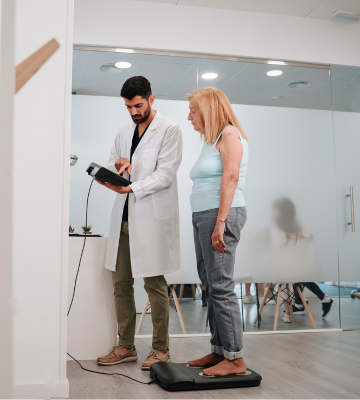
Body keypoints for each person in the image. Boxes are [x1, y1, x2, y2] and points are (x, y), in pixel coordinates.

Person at [95, 76, 183, 370]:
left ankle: (161, 349)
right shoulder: (124, 130)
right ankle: (126, 346)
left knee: (154, 283)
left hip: (150, 216)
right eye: (128, 107)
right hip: (123, 218)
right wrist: (118, 166)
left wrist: (131, 187)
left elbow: (165, 175)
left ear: (151, 98)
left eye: (138, 105)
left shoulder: (169, 130)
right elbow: (112, 161)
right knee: (120, 284)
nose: (133, 111)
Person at [187, 87, 248, 376]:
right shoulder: (212, 141)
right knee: (209, 285)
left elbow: (231, 177)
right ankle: (219, 351)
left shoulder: (230, 135)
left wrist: (220, 223)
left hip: (220, 215)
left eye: (193, 111)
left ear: (209, 110)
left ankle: (235, 358)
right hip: (204, 215)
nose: (190, 117)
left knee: (221, 286)